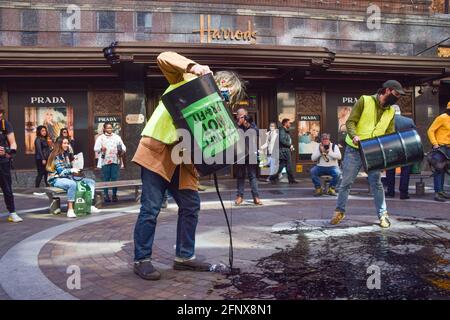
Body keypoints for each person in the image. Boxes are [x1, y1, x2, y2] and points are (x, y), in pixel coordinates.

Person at [132, 51, 246, 280]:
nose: (226, 98)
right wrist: (194, 67)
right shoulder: (186, 79)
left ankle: (184, 257)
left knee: (191, 205)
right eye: (227, 93)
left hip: (183, 162)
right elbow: (164, 57)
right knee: (151, 208)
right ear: (221, 82)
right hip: (159, 151)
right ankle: (141, 259)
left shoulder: (212, 105)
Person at [331, 80, 405, 228]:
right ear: (387, 90)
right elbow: (350, 122)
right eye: (397, 94)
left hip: (374, 151)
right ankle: (339, 211)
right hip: (354, 149)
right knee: (346, 182)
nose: (398, 98)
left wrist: (386, 155)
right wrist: (354, 136)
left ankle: (383, 215)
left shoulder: (391, 111)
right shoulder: (364, 100)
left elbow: (388, 134)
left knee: (376, 184)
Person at [47, 137, 100, 218]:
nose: (67, 145)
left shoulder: (66, 154)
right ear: (59, 144)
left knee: (90, 182)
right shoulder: (55, 156)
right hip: (56, 179)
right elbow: (61, 172)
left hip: (68, 177)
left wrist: (76, 166)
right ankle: (70, 209)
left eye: (67, 143)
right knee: (72, 184)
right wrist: (71, 170)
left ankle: (89, 205)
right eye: (64, 143)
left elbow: (69, 169)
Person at [384, 105, 417, 200]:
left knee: (390, 171)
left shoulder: (387, 122)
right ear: (400, 111)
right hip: (406, 149)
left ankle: (390, 192)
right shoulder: (409, 121)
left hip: (391, 149)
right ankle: (404, 193)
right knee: (405, 172)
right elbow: (414, 136)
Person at [234, 109, 262, 206]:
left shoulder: (251, 124)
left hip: (251, 154)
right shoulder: (235, 125)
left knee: (252, 176)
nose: (239, 117)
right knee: (240, 176)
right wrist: (238, 125)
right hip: (240, 154)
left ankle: (256, 197)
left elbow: (257, 132)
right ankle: (239, 197)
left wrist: (248, 125)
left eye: (241, 115)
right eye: (238, 115)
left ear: (245, 116)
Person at [94, 122, 126, 202]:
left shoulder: (117, 137)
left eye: (111, 128)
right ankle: (106, 195)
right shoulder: (101, 138)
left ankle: (114, 195)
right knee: (106, 178)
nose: (109, 129)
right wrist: (101, 149)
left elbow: (123, 147)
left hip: (115, 160)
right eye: (108, 128)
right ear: (104, 129)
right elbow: (95, 148)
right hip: (105, 161)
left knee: (114, 178)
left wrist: (121, 150)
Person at [0, 109, 22, 223]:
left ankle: (12, 213)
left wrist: (6, 150)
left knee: (7, 188)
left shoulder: (5, 124)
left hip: (3, 162)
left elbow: (13, 144)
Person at [427, 102, 450, 202]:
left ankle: (441, 191)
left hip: (448, 148)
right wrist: (435, 143)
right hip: (441, 148)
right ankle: (437, 193)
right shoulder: (442, 117)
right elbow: (430, 130)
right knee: (438, 170)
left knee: (445, 170)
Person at [269, 118, 298, 184]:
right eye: (289, 123)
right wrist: (289, 145)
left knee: (282, 165)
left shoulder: (284, 130)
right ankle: (291, 180)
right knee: (289, 165)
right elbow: (282, 140)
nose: (290, 124)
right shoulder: (282, 130)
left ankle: (273, 177)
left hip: (284, 150)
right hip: (284, 150)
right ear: (285, 123)